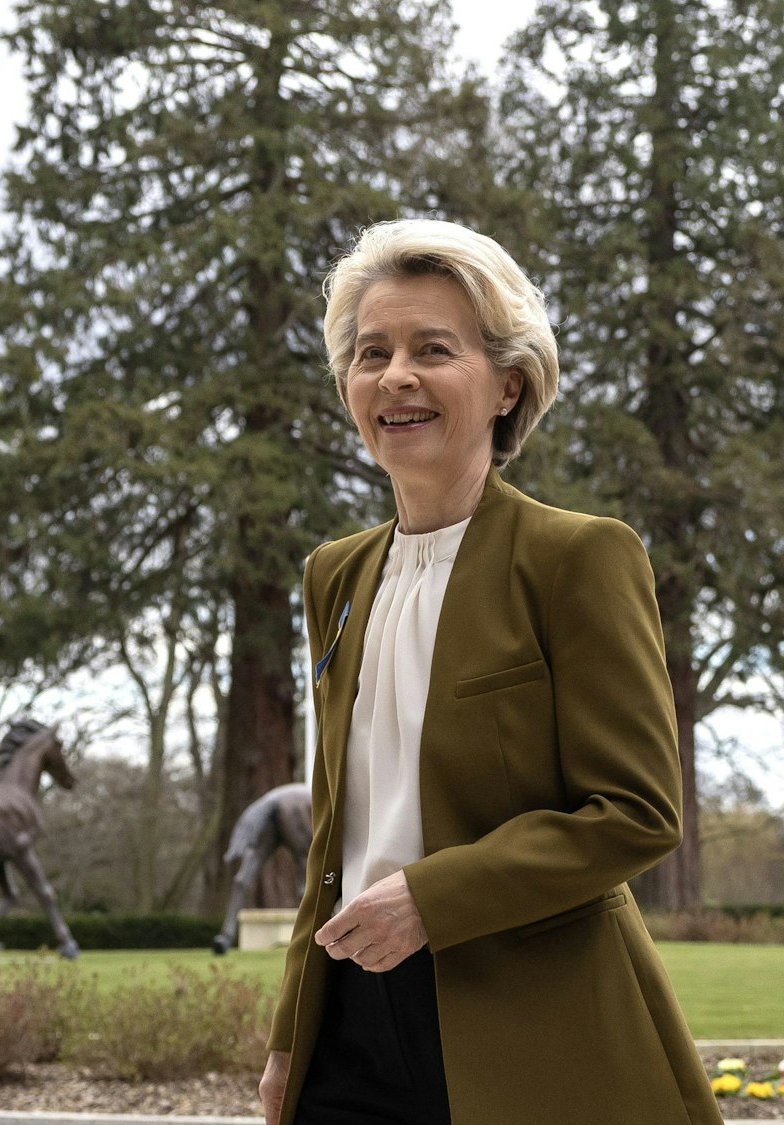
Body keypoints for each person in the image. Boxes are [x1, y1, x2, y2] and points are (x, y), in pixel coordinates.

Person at [259, 219, 721, 1125]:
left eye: (434, 348)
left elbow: (636, 811)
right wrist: (290, 1032)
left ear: (509, 382)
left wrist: (431, 900)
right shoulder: (334, 575)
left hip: (534, 1027)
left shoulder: (578, 557)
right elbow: (333, 838)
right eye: (371, 352)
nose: (395, 375)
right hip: (350, 1026)